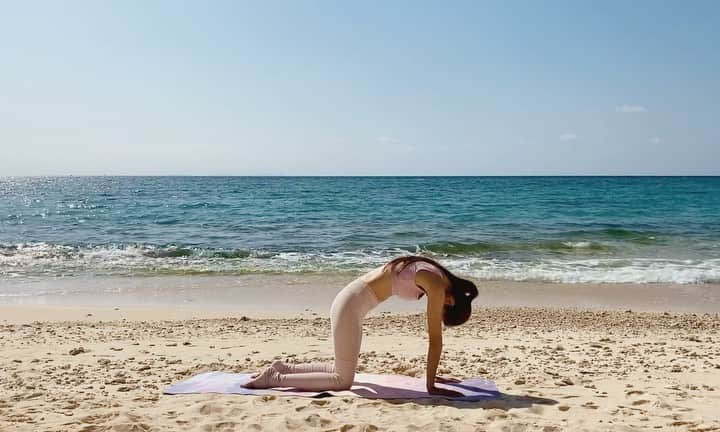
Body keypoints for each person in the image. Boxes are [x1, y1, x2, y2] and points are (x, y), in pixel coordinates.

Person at [243, 255, 478, 396]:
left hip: (352, 303)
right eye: (443, 314)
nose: (438, 313)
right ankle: (273, 378)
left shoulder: (436, 275)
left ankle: (284, 368)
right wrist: (431, 385)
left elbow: (434, 339)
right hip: (350, 306)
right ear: (451, 301)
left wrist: (433, 377)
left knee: (342, 368)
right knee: (343, 380)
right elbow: (435, 340)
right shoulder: (437, 285)